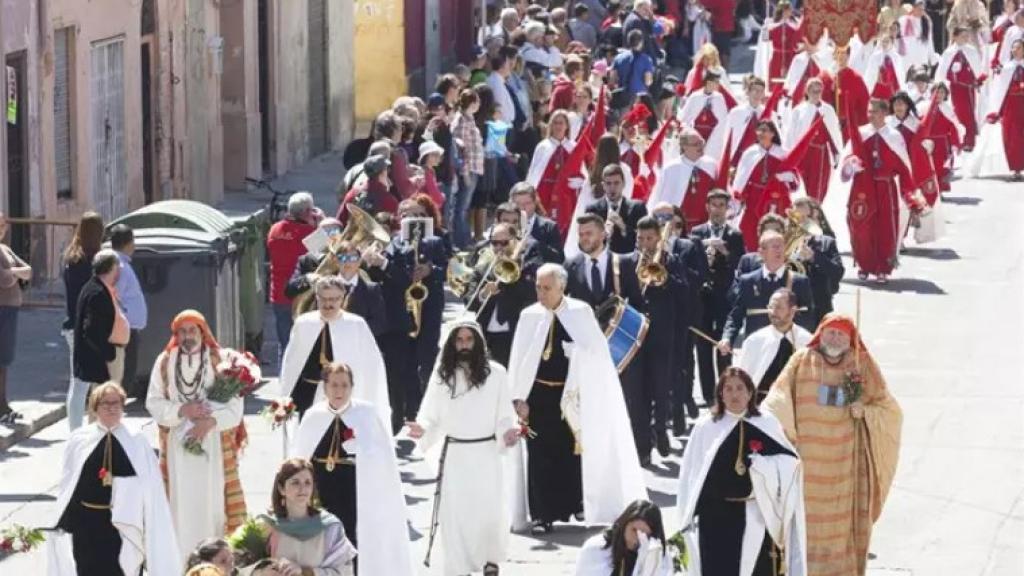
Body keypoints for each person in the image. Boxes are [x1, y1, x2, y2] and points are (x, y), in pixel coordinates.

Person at [507, 264, 646, 533]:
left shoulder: (580, 312)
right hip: (538, 395)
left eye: (547, 288)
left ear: (562, 287)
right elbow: (519, 360)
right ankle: (543, 513)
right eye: (538, 287)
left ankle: (577, 503)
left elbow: (597, 353)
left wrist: (577, 352)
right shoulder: (529, 315)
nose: (541, 293)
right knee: (539, 452)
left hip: (572, 394)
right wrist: (517, 397)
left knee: (572, 451)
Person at [763, 314, 903, 575]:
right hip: (808, 467)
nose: (835, 338)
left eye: (841, 334)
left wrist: (865, 412)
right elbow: (777, 399)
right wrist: (786, 433)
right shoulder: (801, 361)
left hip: (845, 468)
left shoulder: (861, 364)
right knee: (806, 526)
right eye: (831, 333)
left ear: (850, 340)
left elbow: (889, 409)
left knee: (841, 528)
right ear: (820, 334)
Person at [409, 319, 519, 575]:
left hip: (487, 454)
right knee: (456, 516)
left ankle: (490, 561)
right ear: (452, 344)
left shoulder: (497, 374)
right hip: (455, 456)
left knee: (489, 512)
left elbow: (505, 415)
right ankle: (459, 567)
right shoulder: (442, 376)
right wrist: (422, 428)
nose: (464, 345)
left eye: (469, 339)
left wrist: (507, 433)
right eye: (459, 340)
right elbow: (430, 415)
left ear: (478, 342)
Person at [145, 310, 255, 558]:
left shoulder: (221, 360)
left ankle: (213, 563)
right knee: (179, 508)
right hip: (177, 448)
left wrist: (209, 423)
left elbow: (235, 409)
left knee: (213, 505)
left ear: (202, 332)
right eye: (182, 331)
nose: (187, 336)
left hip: (214, 445)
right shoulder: (165, 361)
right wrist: (182, 410)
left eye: (192, 330)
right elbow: (153, 402)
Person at [676, 367, 806, 575]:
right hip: (715, 517)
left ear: (750, 392)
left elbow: (791, 464)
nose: (734, 394)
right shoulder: (706, 427)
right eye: (728, 389)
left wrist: (763, 467)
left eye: (739, 388)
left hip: (756, 514)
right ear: (720, 394)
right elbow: (692, 475)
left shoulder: (766, 423)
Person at [292, 362, 414, 574]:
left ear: (352, 387)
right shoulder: (313, 415)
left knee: (351, 536)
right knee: (321, 537)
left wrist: (362, 449)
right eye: (334, 385)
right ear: (325, 387)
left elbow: (381, 458)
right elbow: (300, 457)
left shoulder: (366, 414)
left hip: (354, 486)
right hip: (320, 485)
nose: (339, 391)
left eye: (344, 385)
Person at [49, 382, 181, 576]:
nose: (111, 408)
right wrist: (65, 519)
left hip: (125, 524)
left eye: (116, 403)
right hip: (87, 523)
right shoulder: (80, 439)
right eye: (105, 403)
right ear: (95, 407)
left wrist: (126, 490)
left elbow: (150, 486)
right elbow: (69, 484)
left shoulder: (136, 440)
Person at [621, 216, 690, 463]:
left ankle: (660, 429)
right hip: (636, 333)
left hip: (662, 332)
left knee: (661, 387)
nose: (644, 244)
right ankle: (643, 445)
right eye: (640, 238)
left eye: (649, 238)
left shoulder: (671, 261)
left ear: (658, 238)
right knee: (637, 391)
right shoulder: (627, 262)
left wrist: (665, 278)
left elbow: (684, 292)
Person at [280, 276, 390, 420]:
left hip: (343, 395)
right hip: (308, 395)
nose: (328, 304)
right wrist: (285, 397)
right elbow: (291, 364)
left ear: (342, 299)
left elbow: (371, 366)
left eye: (333, 299)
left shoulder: (356, 325)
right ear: (316, 298)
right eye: (323, 299)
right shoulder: (304, 323)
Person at [843, 99, 924, 283]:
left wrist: (911, 195)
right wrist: (851, 164)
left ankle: (882, 268)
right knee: (861, 227)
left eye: (874, 112)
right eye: (869, 111)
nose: (870, 115)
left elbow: (904, 167)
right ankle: (864, 264)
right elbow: (847, 159)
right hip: (862, 186)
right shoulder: (861, 133)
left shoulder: (894, 136)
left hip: (885, 187)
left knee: (885, 229)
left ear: (884, 114)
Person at [718, 230, 815, 356]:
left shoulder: (799, 281)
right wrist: (727, 338)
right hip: (757, 349)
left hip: (787, 349)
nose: (780, 250)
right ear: (762, 252)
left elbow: (808, 317)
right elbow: (736, 315)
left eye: (781, 246)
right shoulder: (748, 281)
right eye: (775, 247)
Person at [689, 190, 745, 404]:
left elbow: (740, 264)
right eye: (714, 205)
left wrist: (726, 252)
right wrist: (704, 249)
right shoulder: (697, 232)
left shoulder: (734, 234)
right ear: (707, 207)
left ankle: (725, 391)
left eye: (722, 205)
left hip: (724, 297)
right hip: (702, 298)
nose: (718, 210)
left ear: (727, 208)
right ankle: (708, 395)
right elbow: (691, 260)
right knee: (703, 347)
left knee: (723, 347)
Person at [257, 459, 358, 575]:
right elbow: (243, 567)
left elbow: (345, 572)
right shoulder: (266, 526)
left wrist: (305, 571)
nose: (303, 489)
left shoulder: (330, 527)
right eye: (295, 482)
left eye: (307, 483)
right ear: (281, 488)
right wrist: (261, 571)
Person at [467, 222, 542, 367]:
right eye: (494, 243)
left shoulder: (527, 267)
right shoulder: (482, 268)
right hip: (485, 334)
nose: (499, 247)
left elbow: (532, 297)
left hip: (513, 334)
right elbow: (468, 302)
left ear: (515, 241)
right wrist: (483, 293)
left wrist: (513, 268)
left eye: (504, 243)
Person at [285, 234, 387, 339]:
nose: (348, 262)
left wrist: (351, 331)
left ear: (359, 261)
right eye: (343, 258)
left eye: (353, 258)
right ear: (336, 261)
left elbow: (379, 323)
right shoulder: (325, 286)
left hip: (358, 343)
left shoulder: (371, 289)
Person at [71, 250, 128, 430]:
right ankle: (100, 438)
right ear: (111, 268)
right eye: (117, 267)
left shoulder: (99, 287)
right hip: (104, 358)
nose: (119, 271)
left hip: (107, 354)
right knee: (105, 402)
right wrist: (109, 354)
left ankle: (104, 435)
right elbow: (91, 330)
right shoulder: (96, 292)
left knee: (104, 400)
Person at [62, 211, 104, 421]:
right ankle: (78, 431)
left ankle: (76, 429)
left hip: (72, 325)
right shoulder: (94, 261)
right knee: (82, 384)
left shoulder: (71, 258)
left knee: (77, 383)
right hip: (88, 327)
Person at [736, 288, 813, 403]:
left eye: (778, 307)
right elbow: (741, 378)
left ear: (792, 311)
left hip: (795, 404)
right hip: (760, 403)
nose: (773, 312)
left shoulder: (807, 341)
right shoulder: (755, 341)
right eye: (771, 307)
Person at [268, 192, 321, 356]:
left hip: (278, 294)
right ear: (307, 212)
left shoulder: (275, 229)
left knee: (285, 344)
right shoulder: (309, 232)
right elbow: (328, 250)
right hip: (302, 294)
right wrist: (320, 223)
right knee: (305, 345)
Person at [733, 121, 799, 251]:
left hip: (776, 199)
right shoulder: (750, 153)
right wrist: (739, 196)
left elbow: (794, 178)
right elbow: (741, 177)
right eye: (759, 130)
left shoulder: (782, 153)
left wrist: (783, 177)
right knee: (749, 232)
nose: (760, 133)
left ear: (773, 133)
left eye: (764, 130)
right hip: (754, 198)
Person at [574, 500, 673, 575]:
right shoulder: (596, 549)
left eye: (644, 535)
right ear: (624, 524)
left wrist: (647, 563)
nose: (637, 538)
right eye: (634, 530)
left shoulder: (659, 557)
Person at [786, 77, 844, 201]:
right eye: (814, 91)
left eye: (819, 91)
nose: (817, 94)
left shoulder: (828, 110)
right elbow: (791, 134)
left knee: (819, 188)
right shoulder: (799, 110)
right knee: (802, 186)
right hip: (804, 154)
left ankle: (816, 209)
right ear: (807, 91)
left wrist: (837, 152)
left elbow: (835, 133)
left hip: (821, 154)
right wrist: (789, 155)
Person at [648, 129, 719, 230]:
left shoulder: (711, 165)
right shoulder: (671, 168)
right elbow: (661, 198)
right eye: (696, 144)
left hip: (705, 225)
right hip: (678, 226)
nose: (701, 146)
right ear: (684, 146)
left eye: (701, 142)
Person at [791, 198, 844, 324]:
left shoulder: (827, 243)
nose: (803, 222)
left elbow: (838, 272)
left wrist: (814, 257)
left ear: (816, 219)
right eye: (797, 218)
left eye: (808, 217)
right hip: (792, 310)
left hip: (819, 308)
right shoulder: (783, 242)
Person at [109, 224, 147, 395]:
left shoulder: (120, 263)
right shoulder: (120, 266)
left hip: (127, 326)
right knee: (125, 373)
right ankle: (118, 404)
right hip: (125, 327)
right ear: (128, 243)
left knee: (126, 371)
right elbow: (114, 295)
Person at [526, 109, 578, 232]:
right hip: (545, 192)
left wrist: (579, 181)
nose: (558, 126)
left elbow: (581, 171)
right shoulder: (543, 146)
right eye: (555, 123)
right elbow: (534, 172)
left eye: (561, 123)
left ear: (567, 126)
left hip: (566, 194)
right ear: (550, 125)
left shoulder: (573, 147)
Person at [935, 27, 984, 151]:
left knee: (969, 114)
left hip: (969, 89)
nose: (965, 38)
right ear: (955, 37)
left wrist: (978, 81)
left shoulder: (971, 51)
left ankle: (970, 141)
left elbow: (978, 70)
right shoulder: (949, 52)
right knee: (957, 113)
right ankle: (958, 140)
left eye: (967, 36)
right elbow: (942, 72)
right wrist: (951, 74)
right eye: (962, 36)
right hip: (955, 89)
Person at [584, 164, 648, 254]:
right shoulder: (592, 210)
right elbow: (587, 244)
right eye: (608, 184)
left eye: (616, 183)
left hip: (628, 259)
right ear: (603, 185)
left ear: (623, 184)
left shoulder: (637, 208)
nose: (612, 188)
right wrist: (603, 234)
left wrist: (623, 227)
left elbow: (645, 241)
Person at [986, 38, 1024, 180]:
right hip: (1011, 105)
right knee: (1012, 136)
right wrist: (997, 109)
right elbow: (999, 90)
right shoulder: (1007, 68)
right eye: (1013, 48)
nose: (1015, 50)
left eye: (1019, 48)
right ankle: (1016, 168)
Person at [452, 89, 485, 249]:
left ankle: (465, 238)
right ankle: (461, 241)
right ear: (471, 102)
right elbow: (461, 148)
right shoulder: (461, 120)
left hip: (474, 168)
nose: (479, 104)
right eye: (477, 101)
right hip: (468, 169)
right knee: (461, 207)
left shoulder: (469, 119)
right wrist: (464, 173)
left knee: (465, 206)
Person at [822, 46, 870, 144]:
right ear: (834, 55)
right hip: (830, 127)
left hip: (849, 128)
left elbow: (864, 106)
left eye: (843, 53)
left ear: (848, 56)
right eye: (838, 53)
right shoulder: (825, 76)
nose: (840, 56)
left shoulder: (856, 78)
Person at [678, 72, 730, 160]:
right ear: (708, 82)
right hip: (696, 134)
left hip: (713, 137)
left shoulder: (719, 98)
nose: (718, 85)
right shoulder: (695, 96)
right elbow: (685, 116)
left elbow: (724, 120)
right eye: (716, 82)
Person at [511, 182, 565, 264]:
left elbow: (559, 258)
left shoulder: (549, 227)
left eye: (527, 203)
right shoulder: (504, 224)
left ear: (535, 203)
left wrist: (535, 244)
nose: (522, 208)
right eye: (518, 204)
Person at [725, 76, 768, 168]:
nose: (758, 94)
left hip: (760, 159)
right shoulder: (736, 113)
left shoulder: (768, 113)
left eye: (761, 91)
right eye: (755, 90)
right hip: (739, 159)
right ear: (748, 92)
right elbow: (727, 138)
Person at [612, 30, 656, 108]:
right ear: (641, 42)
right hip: (639, 98)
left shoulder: (618, 58)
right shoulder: (646, 59)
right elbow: (648, 81)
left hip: (622, 96)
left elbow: (612, 80)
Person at [766, 1, 802, 87]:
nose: (788, 12)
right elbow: (765, 39)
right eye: (786, 10)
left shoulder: (795, 23)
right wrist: (766, 27)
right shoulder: (772, 24)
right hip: (777, 56)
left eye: (789, 10)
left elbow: (799, 39)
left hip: (790, 55)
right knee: (776, 80)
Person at [783, 41, 826, 107]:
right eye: (807, 44)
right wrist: (789, 93)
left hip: (818, 88)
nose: (809, 47)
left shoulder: (822, 57)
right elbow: (792, 75)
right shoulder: (798, 58)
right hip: (801, 89)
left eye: (812, 45)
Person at [899, 1, 938, 70]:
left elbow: (930, 40)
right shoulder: (903, 19)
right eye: (918, 9)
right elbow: (899, 36)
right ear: (914, 8)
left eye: (922, 9)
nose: (920, 11)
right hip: (908, 55)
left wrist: (932, 56)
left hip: (921, 54)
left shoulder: (927, 22)